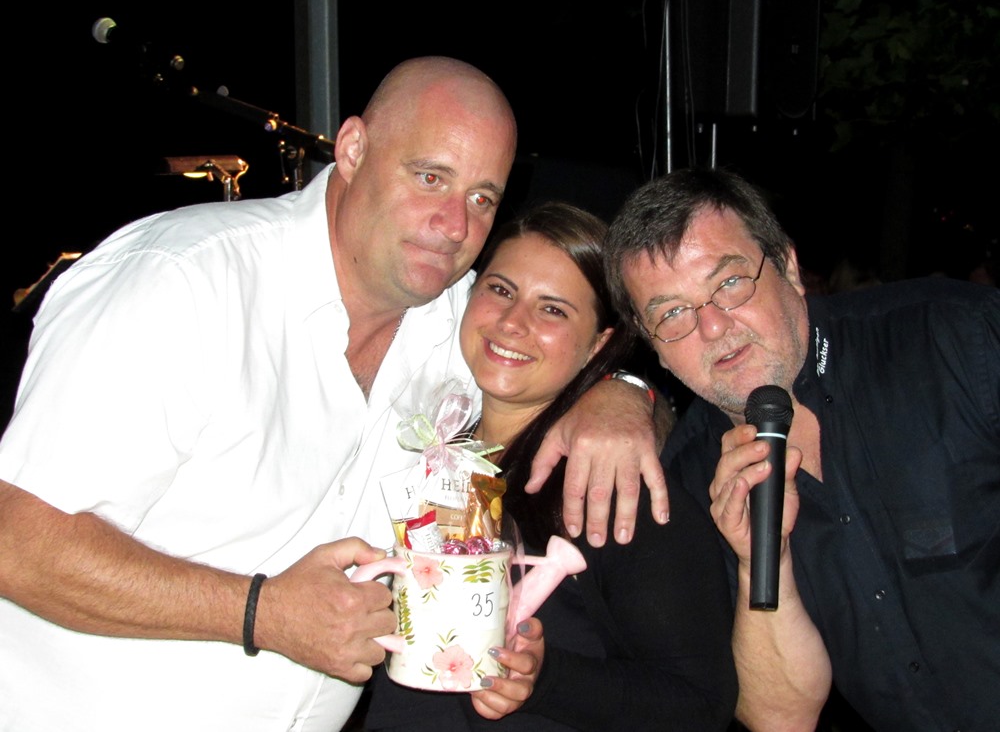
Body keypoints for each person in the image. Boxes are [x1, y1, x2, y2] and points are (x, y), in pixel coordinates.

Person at [0, 57, 667, 732]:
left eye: (481, 199)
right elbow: (16, 541)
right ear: (352, 149)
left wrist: (625, 393)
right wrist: (260, 612)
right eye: (430, 177)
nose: (454, 225)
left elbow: (565, 353)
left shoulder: (457, 322)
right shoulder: (183, 284)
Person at [604, 166, 1000, 731]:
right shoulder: (687, 488)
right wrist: (761, 565)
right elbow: (781, 718)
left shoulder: (955, 338)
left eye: (729, 283)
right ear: (655, 350)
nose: (712, 327)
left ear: (788, 267)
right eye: (672, 313)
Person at [365, 202, 738, 731]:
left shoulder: (614, 489)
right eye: (501, 290)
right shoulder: (431, 450)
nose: (512, 323)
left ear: (598, 344)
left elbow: (701, 705)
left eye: (553, 310)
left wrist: (546, 679)